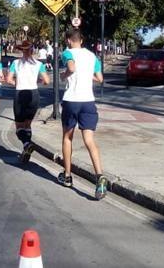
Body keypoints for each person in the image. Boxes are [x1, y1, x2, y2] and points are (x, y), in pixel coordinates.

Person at [59, 29, 107, 200]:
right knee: (89, 140)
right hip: (88, 101)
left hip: (72, 100)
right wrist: (87, 75)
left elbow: (71, 68)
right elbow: (100, 78)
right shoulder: (92, 56)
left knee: (67, 137)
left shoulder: (67, 53)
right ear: (81, 40)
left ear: (69, 40)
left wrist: (64, 75)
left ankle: (67, 176)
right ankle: (100, 176)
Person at [6, 40, 50, 164]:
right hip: (34, 94)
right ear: (32, 50)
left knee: (19, 126)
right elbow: (46, 81)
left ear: (22, 50)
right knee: (27, 124)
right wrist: (36, 82)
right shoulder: (38, 64)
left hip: (20, 93)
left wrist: (17, 82)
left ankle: (27, 144)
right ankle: (26, 149)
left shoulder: (16, 63)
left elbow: (9, 79)